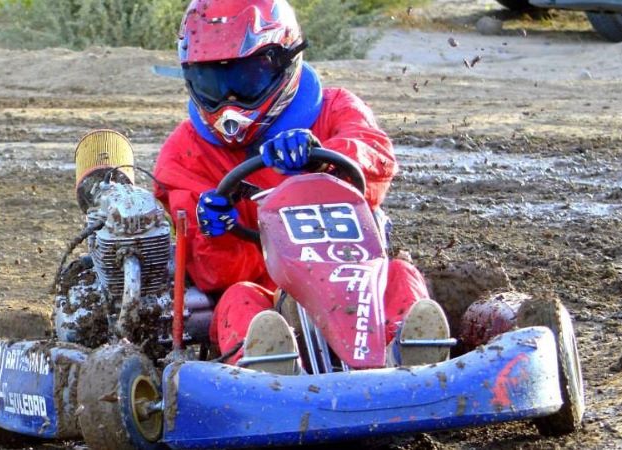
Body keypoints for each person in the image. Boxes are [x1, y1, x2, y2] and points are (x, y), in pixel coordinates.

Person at [153, 0, 445, 374]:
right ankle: (270, 371)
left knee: (401, 275)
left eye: (244, 80)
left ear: (283, 62)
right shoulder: (183, 154)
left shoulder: (334, 108)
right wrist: (214, 232)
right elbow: (217, 277)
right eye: (213, 82)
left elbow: (376, 156)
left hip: (353, 279)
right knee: (237, 300)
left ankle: (411, 356)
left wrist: (321, 157)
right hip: (266, 291)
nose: (229, 101)